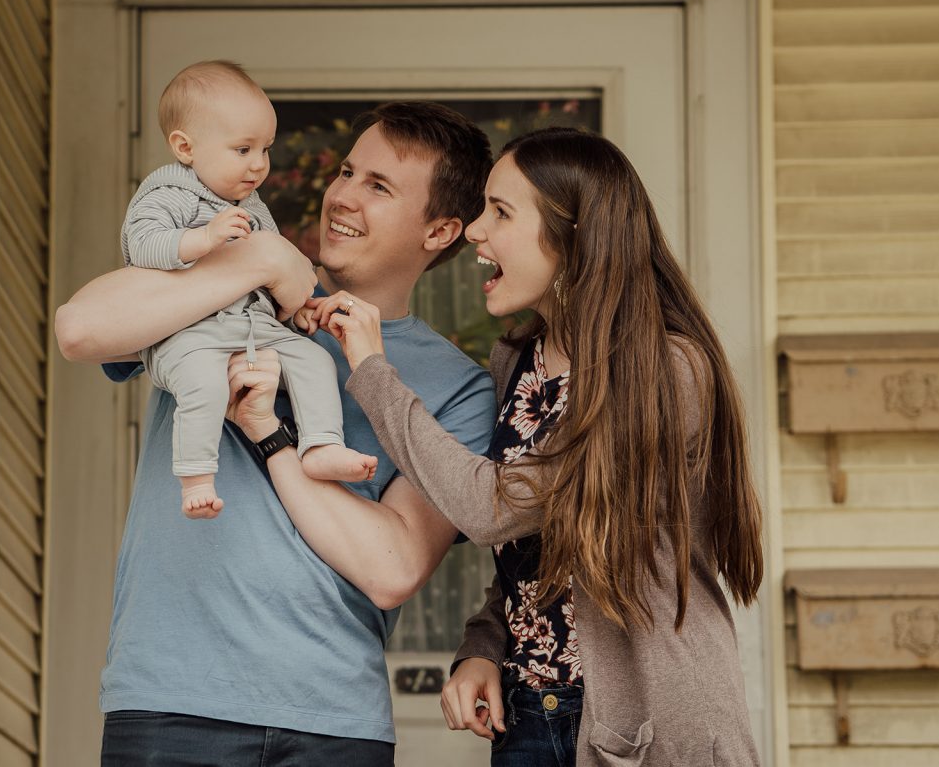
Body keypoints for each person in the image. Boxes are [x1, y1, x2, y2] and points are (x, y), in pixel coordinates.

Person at [258, 127, 765, 766]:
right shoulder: (519, 362)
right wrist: (485, 644)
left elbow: (496, 507)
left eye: (500, 213)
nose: (474, 231)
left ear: (572, 233)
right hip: (531, 716)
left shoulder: (667, 370)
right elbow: (539, 551)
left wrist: (372, 369)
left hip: (651, 724)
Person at [54, 101, 497, 766]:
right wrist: (259, 257)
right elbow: (79, 330)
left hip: (336, 718)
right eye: (347, 171)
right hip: (173, 699)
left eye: (378, 187)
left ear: (440, 231)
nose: (342, 195)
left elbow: (392, 567)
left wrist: (266, 429)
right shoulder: (225, 283)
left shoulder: (458, 387)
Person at [120, 60, 376, 518]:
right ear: (185, 147)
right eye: (242, 149)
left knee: (315, 359)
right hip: (190, 333)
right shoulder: (167, 194)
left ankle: (320, 444)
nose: (259, 164)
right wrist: (203, 239)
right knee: (203, 386)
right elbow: (143, 245)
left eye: (265, 149)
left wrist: (294, 309)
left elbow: (271, 272)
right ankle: (196, 475)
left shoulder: (252, 205)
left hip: (255, 326)